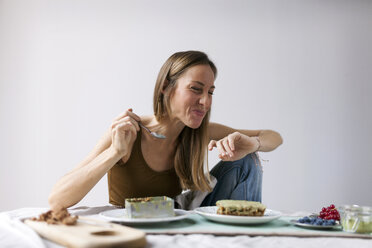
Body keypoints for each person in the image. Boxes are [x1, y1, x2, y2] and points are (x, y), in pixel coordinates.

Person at [48, 51, 283, 210]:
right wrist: (115, 153)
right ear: (165, 88)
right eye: (196, 89)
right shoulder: (128, 131)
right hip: (132, 224)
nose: (205, 102)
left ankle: (242, 235)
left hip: (175, 218)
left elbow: (274, 137)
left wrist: (253, 144)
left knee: (247, 160)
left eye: (210, 92)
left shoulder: (199, 132)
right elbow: (57, 199)